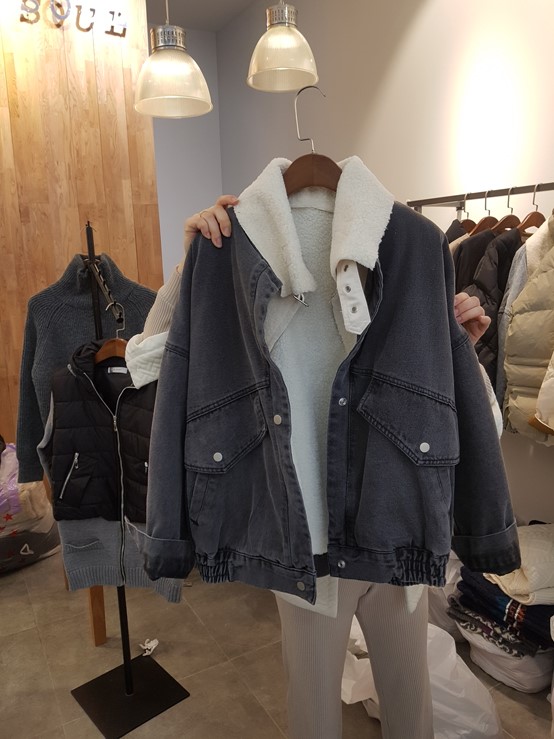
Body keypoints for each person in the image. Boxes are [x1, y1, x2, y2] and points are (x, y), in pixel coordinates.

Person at [127, 195, 502, 739]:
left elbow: (479, 426)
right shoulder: (238, 257)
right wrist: (191, 273)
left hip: (396, 536)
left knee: (408, 707)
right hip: (307, 553)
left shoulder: (413, 252)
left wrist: (459, 356)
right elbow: (147, 367)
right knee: (316, 716)